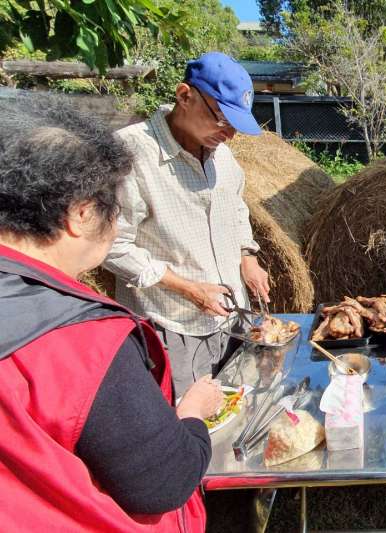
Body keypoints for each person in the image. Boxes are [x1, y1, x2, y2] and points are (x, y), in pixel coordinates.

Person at [0, 92, 223, 531]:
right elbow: (164, 480)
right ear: (81, 214)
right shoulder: (78, 342)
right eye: (114, 210)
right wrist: (192, 413)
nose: (117, 223)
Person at [104, 52, 271, 396]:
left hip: (231, 318)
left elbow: (235, 207)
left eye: (235, 126)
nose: (229, 135)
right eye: (222, 119)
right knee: (187, 423)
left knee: (235, 408)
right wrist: (187, 288)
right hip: (174, 326)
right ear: (184, 96)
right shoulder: (130, 154)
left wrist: (246, 256)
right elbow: (112, 245)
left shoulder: (222, 155)